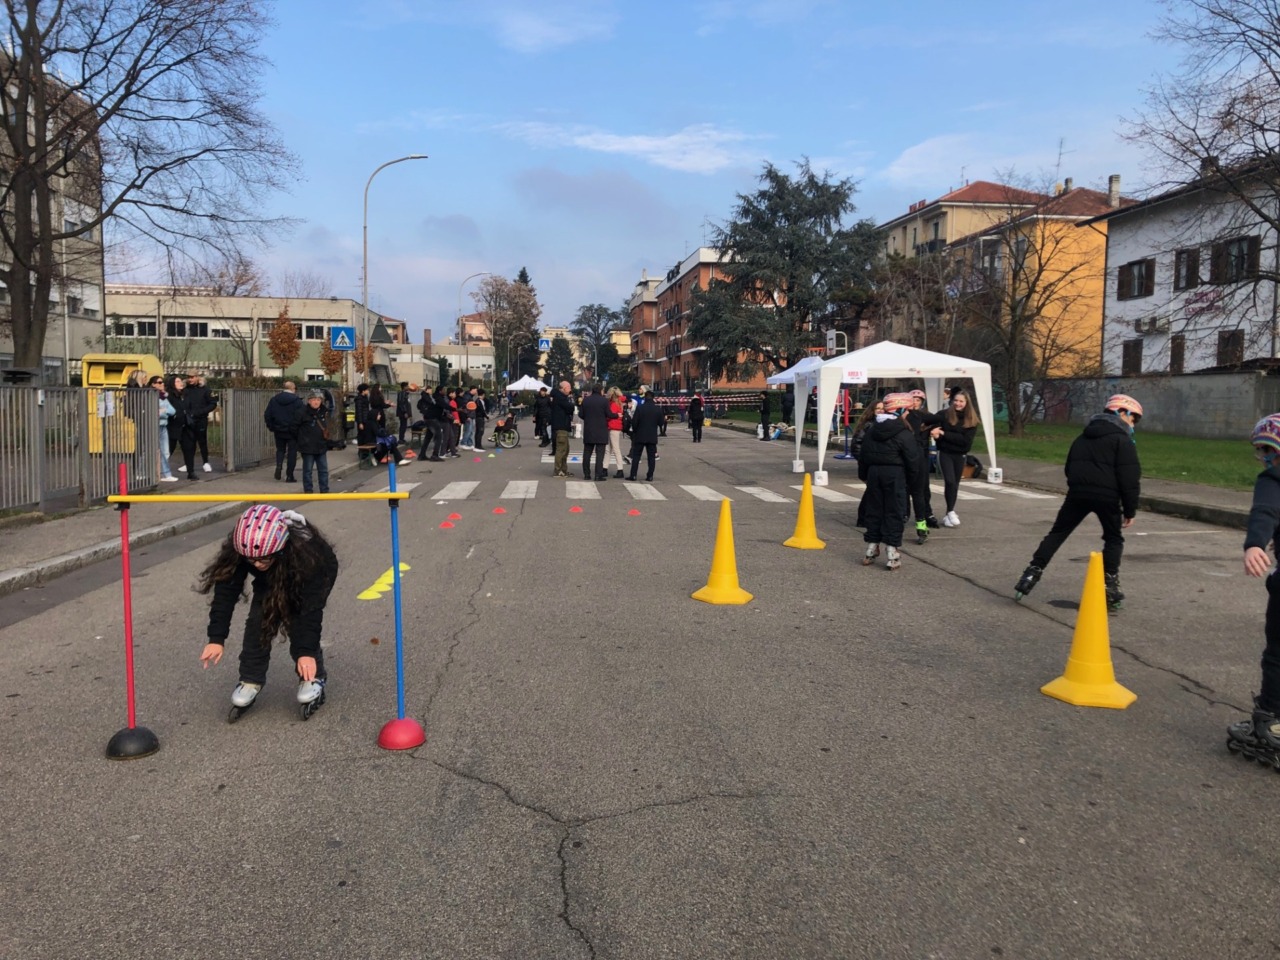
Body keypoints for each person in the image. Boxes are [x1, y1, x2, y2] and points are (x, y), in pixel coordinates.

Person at [198, 505, 338, 721]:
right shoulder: (240, 551)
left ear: (280, 549)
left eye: (263, 559)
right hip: (274, 574)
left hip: (311, 574)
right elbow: (225, 595)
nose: (257, 564)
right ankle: (251, 679)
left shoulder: (309, 555)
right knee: (259, 621)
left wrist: (306, 652)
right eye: (251, 560)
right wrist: (216, 638)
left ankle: (314, 676)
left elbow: (310, 613)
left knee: (297, 619)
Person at [1014, 394, 1144, 610]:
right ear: (1123, 413)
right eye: (1134, 419)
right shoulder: (1122, 440)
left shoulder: (1082, 437)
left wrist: (1079, 486)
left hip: (1078, 494)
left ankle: (1031, 573)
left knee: (1057, 533)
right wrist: (1130, 509)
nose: (1133, 425)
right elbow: (1130, 478)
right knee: (1113, 539)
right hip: (1107, 497)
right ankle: (1110, 587)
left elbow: (1069, 467)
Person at [1229, 413, 1280, 760]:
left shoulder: (1272, 478)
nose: (1263, 456)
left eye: (1266, 449)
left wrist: (1255, 544)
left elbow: (1264, 511)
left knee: (1277, 653)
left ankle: (1269, 724)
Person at [857, 393, 919, 570]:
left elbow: (864, 456)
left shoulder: (872, 430)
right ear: (901, 410)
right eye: (907, 410)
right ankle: (892, 551)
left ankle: (871, 546)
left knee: (875, 509)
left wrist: (865, 476)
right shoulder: (903, 433)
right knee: (894, 510)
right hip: (895, 473)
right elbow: (912, 460)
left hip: (874, 473)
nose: (908, 414)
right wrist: (912, 482)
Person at [933, 390, 980, 528]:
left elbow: (965, 442)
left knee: (955, 484)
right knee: (950, 481)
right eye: (956, 401)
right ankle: (951, 511)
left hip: (960, 455)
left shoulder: (971, 419)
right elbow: (930, 423)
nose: (958, 404)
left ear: (967, 403)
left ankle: (949, 512)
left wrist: (943, 433)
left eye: (961, 401)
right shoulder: (944, 415)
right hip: (945, 453)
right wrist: (936, 433)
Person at [903, 389, 939, 543]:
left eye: (918, 400)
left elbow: (940, 420)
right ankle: (905, 514)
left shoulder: (926, 416)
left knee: (922, 489)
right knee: (905, 489)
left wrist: (935, 429)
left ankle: (924, 518)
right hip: (906, 456)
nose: (915, 402)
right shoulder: (904, 416)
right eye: (913, 399)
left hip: (921, 455)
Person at [294, 389, 331, 494]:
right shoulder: (302, 412)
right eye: (314, 399)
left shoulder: (324, 412)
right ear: (309, 401)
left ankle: (324, 490)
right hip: (307, 446)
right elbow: (294, 428)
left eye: (318, 399)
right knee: (307, 471)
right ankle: (308, 491)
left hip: (321, 446)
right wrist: (301, 440)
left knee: (323, 470)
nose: (316, 402)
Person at [265, 381, 303, 482]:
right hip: (293, 431)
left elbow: (268, 415)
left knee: (280, 449)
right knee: (292, 452)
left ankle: (279, 465)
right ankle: (289, 475)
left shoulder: (274, 400)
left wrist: (272, 426)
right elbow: (301, 416)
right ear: (292, 388)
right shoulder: (297, 401)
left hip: (279, 430)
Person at [626, 390, 663, 482]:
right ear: (653, 398)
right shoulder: (657, 409)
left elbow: (634, 422)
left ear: (645, 397)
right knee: (651, 457)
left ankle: (633, 475)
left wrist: (635, 431)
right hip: (652, 436)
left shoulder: (640, 408)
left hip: (640, 435)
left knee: (636, 456)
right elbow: (661, 423)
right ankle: (650, 476)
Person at [168, 375, 201, 481]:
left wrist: (191, 415)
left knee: (189, 449)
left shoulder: (186, 395)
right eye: (177, 381)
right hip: (173, 426)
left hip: (186, 426)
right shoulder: (170, 396)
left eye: (180, 381)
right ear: (173, 384)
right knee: (168, 450)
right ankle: (161, 471)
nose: (180, 383)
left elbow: (191, 407)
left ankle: (191, 472)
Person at [184, 372, 218, 473]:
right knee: (189, 442)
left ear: (197, 377)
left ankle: (206, 462)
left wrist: (202, 412)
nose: (190, 379)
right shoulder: (185, 389)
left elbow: (213, 404)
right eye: (188, 377)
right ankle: (189, 463)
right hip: (189, 419)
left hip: (201, 419)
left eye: (192, 377)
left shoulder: (205, 390)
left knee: (202, 441)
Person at [149, 375, 179, 482]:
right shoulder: (151, 396)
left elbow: (172, 411)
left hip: (163, 426)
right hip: (154, 426)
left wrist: (163, 411)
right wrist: (162, 411)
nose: (162, 384)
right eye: (159, 382)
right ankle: (143, 472)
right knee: (148, 451)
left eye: (163, 382)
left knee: (166, 451)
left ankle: (164, 473)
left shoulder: (163, 397)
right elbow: (154, 412)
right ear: (153, 384)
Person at [579, 383, 611, 480]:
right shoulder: (604, 401)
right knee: (600, 454)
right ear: (601, 390)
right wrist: (617, 415)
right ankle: (598, 475)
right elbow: (608, 414)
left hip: (589, 430)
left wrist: (588, 418)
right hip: (601, 430)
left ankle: (587, 474)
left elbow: (581, 414)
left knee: (587, 453)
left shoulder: (586, 400)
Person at [550, 380, 575, 477]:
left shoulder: (560, 397)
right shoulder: (560, 398)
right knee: (561, 449)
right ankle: (557, 470)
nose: (570, 389)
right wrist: (571, 402)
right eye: (568, 387)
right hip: (560, 426)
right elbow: (570, 408)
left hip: (562, 426)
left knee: (566, 449)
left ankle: (563, 470)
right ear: (563, 388)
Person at [606, 386, 627, 477]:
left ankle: (619, 469)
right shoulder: (619, 402)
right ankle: (606, 467)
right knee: (611, 449)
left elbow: (610, 415)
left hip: (612, 426)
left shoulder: (613, 404)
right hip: (616, 427)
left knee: (613, 449)